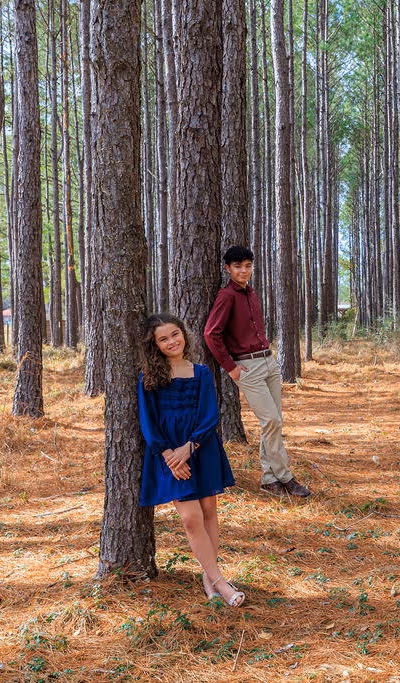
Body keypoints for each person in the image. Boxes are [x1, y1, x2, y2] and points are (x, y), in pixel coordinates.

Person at [138, 314, 244, 607]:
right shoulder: (149, 378)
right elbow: (147, 421)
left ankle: (209, 577)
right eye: (163, 338)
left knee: (209, 509)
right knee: (190, 518)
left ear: (184, 335)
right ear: (155, 345)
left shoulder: (201, 372)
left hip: (201, 448)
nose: (172, 341)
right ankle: (221, 582)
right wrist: (170, 455)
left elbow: (210, 414)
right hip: (168, 454)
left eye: (175, 334)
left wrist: (190, 447)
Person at [204, 245, 310, 498]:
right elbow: (211, 334)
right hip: (247, 366)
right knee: (271, 420)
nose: (243, 270)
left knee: (273, 421)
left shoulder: (250, 293)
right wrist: (231, 368)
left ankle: (268, 478)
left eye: (248, 265)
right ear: (228, 268)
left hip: (269, 363)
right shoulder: (226, 296)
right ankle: (285, 477)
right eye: (238, 266)